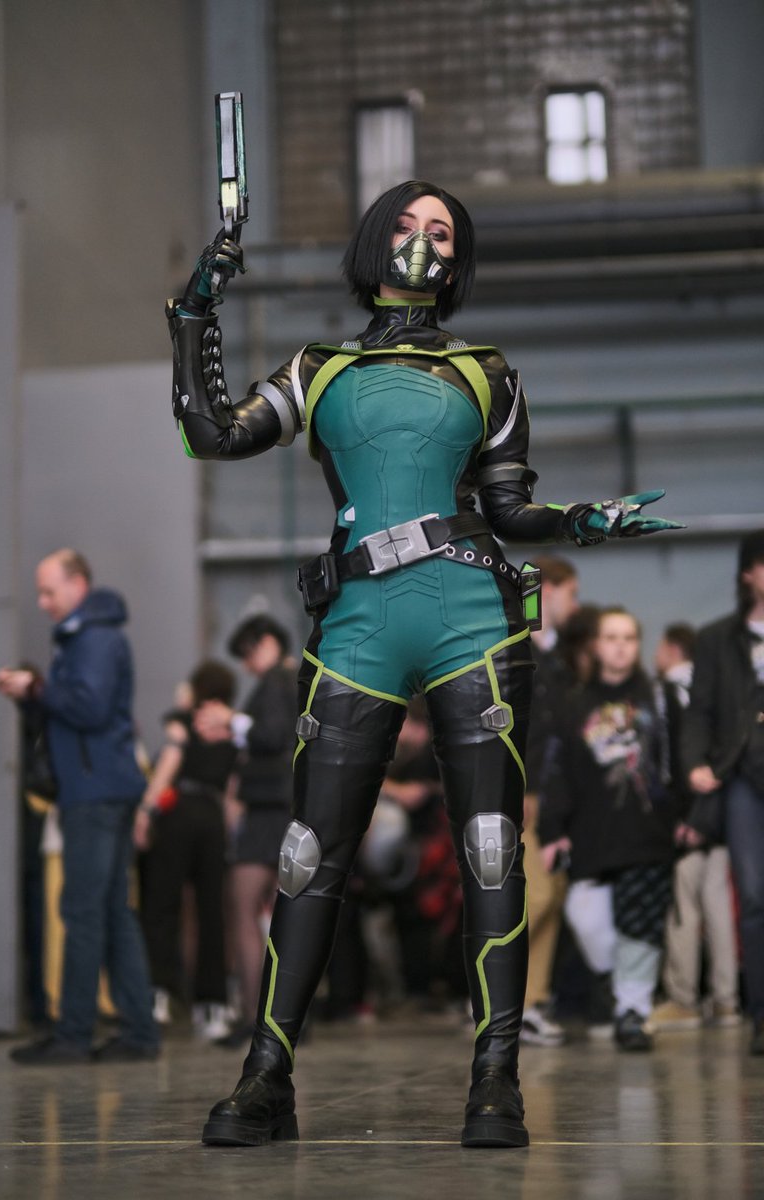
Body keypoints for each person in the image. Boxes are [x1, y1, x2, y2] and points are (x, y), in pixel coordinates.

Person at [166, 179, 680, 1148]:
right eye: (406, 223)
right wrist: (195, 311)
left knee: (490, 845)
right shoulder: (316, 367)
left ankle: (495, 1082)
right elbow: (212, 435)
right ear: (374, 239)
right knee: (307, 852)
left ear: (457, 261)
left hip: (471, 617)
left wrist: (583, 520)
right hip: (357, 620)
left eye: (441, 231)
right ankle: (265, 1077)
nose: (421, 241)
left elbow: (508, 506)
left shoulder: (487, 372)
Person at [0, 549, 159, 1063]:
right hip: (101, 787)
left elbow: (90, 707)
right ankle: (138, 1032)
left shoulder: (94, 638)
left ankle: (73, 1034)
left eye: (49, 591)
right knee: (111, 911)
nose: (42, 602)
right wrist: (31, 696)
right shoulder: (82, 636)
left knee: (83, 910)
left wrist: (38, 687)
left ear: (77, 584)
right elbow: (75, 712)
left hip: (94, 793)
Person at [538, 607, 675, 1052]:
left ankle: (633, 1013)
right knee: (586, 918)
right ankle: (623, 989)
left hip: (649, 831)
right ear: (597, 645)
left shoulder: (659, 698)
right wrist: (552, 829)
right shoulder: (573, 702)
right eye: (611, 637)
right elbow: (557, 770)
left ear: (638, 645)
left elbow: (678, 758)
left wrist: (689, 818)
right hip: (591, 833)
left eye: (629, 638)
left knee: (640, 923)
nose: (620, 646)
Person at [681, 530, 764, 1056]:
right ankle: (761, 1014)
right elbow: (699, 711)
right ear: (748, 574)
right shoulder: (716, 638)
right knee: (753, 897)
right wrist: (694, 763)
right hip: (741, 779)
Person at [197, 616, 296, 1048]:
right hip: (281, 807)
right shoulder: (288, 679)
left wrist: (232, 721)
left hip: (270, 809)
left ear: (267, 642)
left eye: (248, 652)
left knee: (242, 904)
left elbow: (272, 735)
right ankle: (280, 1016)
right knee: (282, 914)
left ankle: (257, 1015)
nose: (247, 664)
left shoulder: (278, 680)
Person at [134, 660, 239, 1039]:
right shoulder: (232, 727)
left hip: (178, 813)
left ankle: (158, 996)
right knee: (212, 912)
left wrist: (145, 811)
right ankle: (212, 1007)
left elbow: (171, 760)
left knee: (163, 905)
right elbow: (233, 787)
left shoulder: (183, 719)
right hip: (212, 816)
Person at [651, 624, 740, 1033]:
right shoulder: (720, 692)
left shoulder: (667, 692)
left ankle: (683, 998)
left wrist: (685, 818)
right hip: (722, 814)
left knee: (684, 910)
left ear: (672, 649)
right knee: (718, 907)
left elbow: (670, 762)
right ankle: (726, 1001)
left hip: (688, 819)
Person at [520, 555, 580, 1047]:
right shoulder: (512, 650)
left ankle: (531, 1003)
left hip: (555, 798)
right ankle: (496, 998)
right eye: (572, 594)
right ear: (549, 590)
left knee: (553, 897)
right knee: (533, 896)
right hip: (521, 796)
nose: (575, 605)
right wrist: (519, 788)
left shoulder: (560, 660)